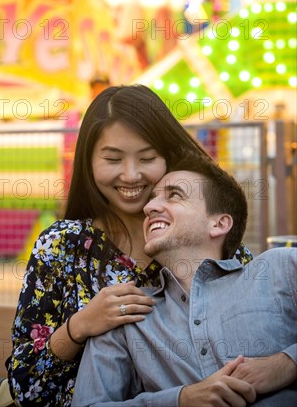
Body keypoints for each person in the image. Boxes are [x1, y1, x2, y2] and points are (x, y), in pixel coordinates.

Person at [7, 85, 252, 406]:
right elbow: (24, 387)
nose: (131, 174)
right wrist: (79, 326)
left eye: (148, 157)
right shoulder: (62, 246)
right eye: (112, 159)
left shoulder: (203, 237)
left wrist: (283, 364)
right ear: (88, 161)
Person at [72, 153, 297, 407]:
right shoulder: (127, 315)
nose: (148, 207)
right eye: (153, 198)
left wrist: (287, 363)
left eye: (174, 195)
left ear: (219, 224)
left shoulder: (280, 269)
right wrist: (181, 399)